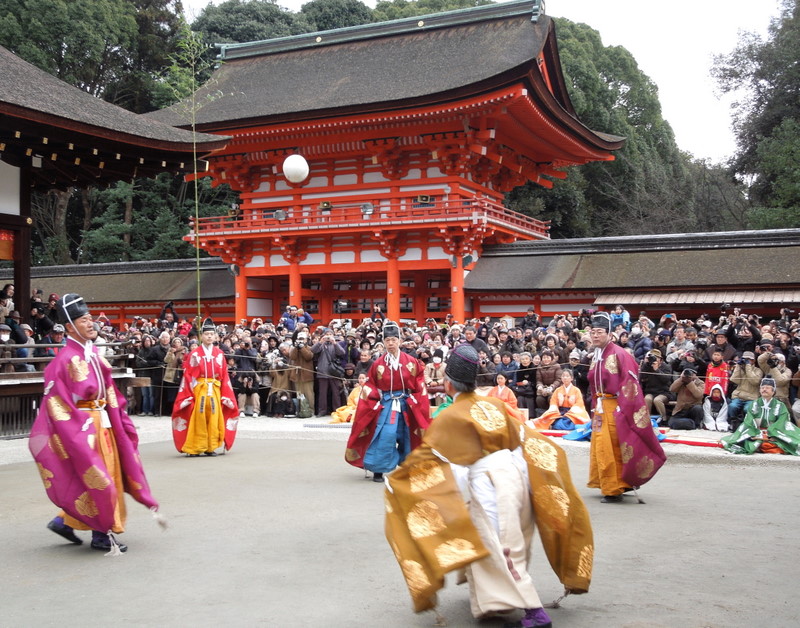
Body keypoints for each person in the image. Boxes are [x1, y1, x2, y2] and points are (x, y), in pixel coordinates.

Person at [384, 344, 593, 626]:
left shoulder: (450, 416)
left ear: (448, 384)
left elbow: (429, 458)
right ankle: (493, 602)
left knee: (496, 545)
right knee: (506, 542)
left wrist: (397, 480)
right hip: (515, 476)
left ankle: (534, 610)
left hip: (487, 482)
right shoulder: (494, 404)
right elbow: (525, 438)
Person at [28, 293, 161, 553]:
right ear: (69, 326)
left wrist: (119, 418)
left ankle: (64, 522)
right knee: (101, 476)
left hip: (102, 422)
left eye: (91, 319)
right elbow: (56, 404)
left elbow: (109, 391)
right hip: (82, 426)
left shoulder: (93, 355)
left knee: (100, 474)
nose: (91, 324)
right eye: (84, 320)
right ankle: (103, 533)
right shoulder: (63, 360)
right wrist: (81, 430)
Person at [587, 312, 665, 503]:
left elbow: (631, 385)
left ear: (609, 333)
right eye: (593, 332)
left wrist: (623, 408)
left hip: (615, 405)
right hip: (600, 405)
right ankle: (609, 483)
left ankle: (615, 488)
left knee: (613, 445)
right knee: (600, 445)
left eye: (599, 332)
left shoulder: (620, 354)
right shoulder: (596, 355)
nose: (595, 336)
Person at [345, 321, 430, 482]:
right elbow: (370, 385)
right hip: (387, 403)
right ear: (383, 342)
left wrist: (415, 397)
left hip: (407, 402)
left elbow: (419, 381)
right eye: (387, 340)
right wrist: (374, 400)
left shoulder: (411, 361)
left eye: (394, 340)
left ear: (399, 341)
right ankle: (379, 469)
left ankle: (410, 468)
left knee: (407, 434)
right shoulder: (378, 364)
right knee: (386, 434)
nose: (391, 343)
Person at [171, 317, 239, 456]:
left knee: (214, 416)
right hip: (199, 388)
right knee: (199, 416)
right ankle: (195, 447)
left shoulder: (219, 354)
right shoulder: (194, 354)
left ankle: (211, 446)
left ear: (215, 336)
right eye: (206, 334)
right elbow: (189, 374)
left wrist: (224, 392)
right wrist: (191, 391)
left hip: (214, 388)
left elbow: (224, 375)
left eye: (211, 334)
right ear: (201, 336)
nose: (209, 336)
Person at [721, 378, 800, 455]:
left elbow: (783, 421)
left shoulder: (780, 405)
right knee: (745, 441)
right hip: (756, 432)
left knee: (787, 443)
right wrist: (755, 432)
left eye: (767, 388)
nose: (764, 389)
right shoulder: (754, 403)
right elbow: (749, 420)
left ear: (773, 391)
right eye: (762, 388)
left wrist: (772, 433)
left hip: (775, 433)